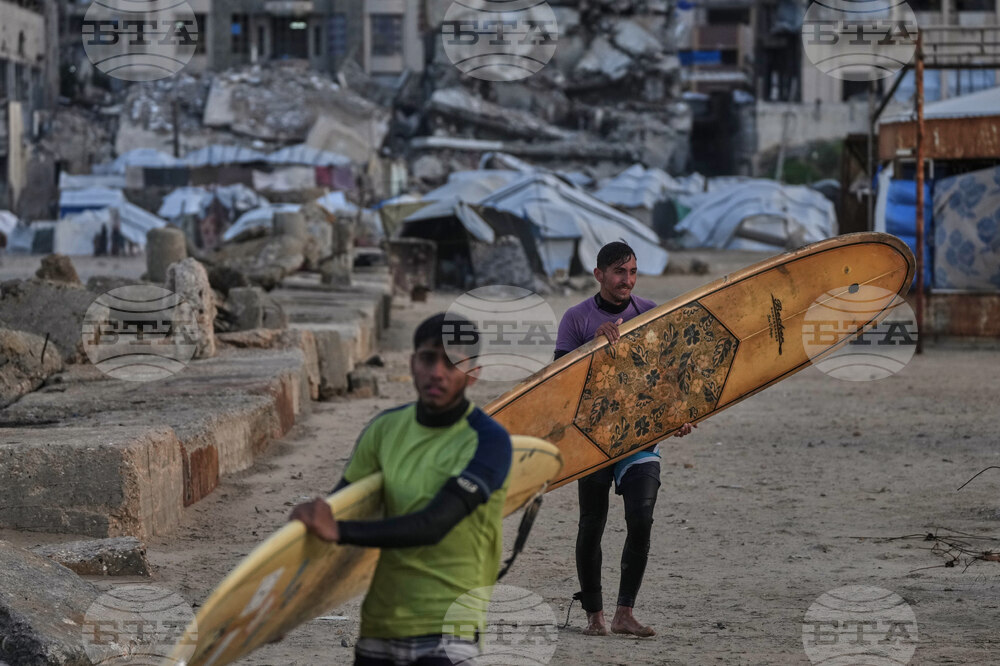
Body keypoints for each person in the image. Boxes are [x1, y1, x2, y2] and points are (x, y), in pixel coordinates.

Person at [290, 313, 512, 665]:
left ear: (473, 371)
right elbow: (341, 509)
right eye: (427, 358)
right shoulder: (385, 429)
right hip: (380, 625)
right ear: (412, 363)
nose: (437, 371)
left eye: (452, 361)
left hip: (449, 629)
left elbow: (434, 525)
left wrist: (339, 530)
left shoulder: (490, 441)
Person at [554, 240, 695, 638]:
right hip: (594, 440)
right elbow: (559, 386)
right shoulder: (576, 318)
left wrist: (679, 416)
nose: (626, 281)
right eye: (619, 272)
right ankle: (595, 616)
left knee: (642, 518)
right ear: (598, 274)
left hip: (640, 437)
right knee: (592, 524)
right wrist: (592, 348)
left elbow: (671, 377)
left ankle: (624, 613)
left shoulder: (650, 314)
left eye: (632, 272)